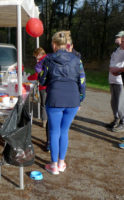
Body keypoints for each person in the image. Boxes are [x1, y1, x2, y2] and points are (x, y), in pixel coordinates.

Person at [38, 30, 86, 175]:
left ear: (54, 44)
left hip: (54, 99)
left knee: (54, 131)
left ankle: (53, 166)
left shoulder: (48, 59)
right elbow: (82, 81)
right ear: (67, 44)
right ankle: (61, 163)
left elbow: (42, 79)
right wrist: (80, 99)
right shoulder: (77, 60)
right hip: (72, 100)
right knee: (64, 131)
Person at [27, 47, 49, 151]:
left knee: (43, 104)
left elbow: (37, 75)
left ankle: (44, 121)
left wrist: (28, 78)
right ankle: (46, 121)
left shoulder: (41, 62)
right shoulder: (49, 58)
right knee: (47, 104)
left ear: (39, 54)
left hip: (44, 87)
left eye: (36, 56)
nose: (35, 58)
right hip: (50, 87)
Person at [107, 32, 124, 132]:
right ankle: (116, 119)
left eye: (120, 38)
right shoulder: (117, 49)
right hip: (112, 79)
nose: (117, 39)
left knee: (121, 103)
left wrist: (118, 71)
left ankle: (122, 122)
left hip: (120, 81)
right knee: (113, 102)